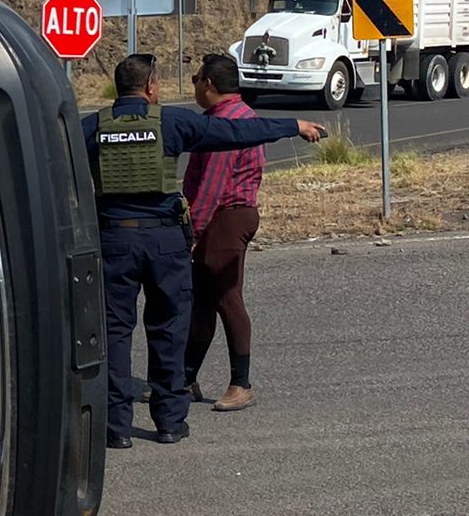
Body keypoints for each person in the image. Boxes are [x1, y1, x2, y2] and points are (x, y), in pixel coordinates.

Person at [83, 54, 325, 450]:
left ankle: (116, 428)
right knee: (168, 328)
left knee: (115, 333)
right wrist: (291, 126)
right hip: (164, 243)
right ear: (151, 87)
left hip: (114, 242)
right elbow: (237, 133)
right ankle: (169, 423)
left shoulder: (92, 126)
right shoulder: (172, 122)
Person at [183, 54, 270, 412]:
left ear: (210, 85)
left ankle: (241, 382)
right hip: (231, 216)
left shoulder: (226, 125)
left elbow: (211, 186)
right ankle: (184, 378)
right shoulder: (235, 115)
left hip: (226, 217)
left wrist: (192, 230)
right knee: (202, 301)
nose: (194, 84)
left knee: (225, 296)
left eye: (197, 78)